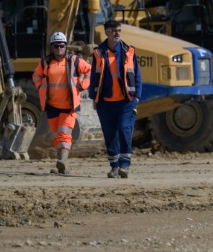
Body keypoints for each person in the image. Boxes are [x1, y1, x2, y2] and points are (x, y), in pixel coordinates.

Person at [32, 31, 92, 174]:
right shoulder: (45, 63)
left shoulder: (74, 61)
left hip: (68, 106)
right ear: (52, 47)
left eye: (62, 46)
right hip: (52, 106)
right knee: (56, 136)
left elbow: (90, 70)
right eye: (56, 46)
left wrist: (83, 85)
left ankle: (63, 162)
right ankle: (60, 164)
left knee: (64, 134)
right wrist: (40, 86)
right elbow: (35, 75)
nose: (59, 48)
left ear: (66, 46)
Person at [88, 19, 142, 179]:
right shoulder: (98, 52)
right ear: (106, 32)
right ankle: (114, 166)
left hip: (126, 101)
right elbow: (93, 77)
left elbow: (137, 75)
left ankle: (125, 164)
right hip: (105, 102)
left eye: (119, 30)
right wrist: (93, 97)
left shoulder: (129, 51)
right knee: (110, 134)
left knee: (124, 129)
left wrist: (137, 96)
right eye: (113, 30)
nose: (117, 33)